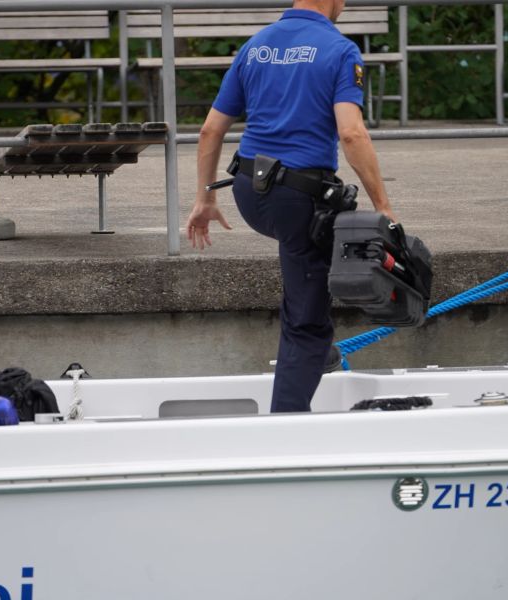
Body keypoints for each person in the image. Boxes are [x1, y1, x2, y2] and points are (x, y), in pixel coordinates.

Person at [185, 0, 397, 413]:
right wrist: (384, 206)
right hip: (299, 198)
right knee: (307, 324)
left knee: (301, 270)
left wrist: (204, 198)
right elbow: (351, 134)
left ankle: (313, 360)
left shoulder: (257, 46)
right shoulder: (339, 50)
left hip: (249, 192)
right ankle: (286, 422)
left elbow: (211, 129)